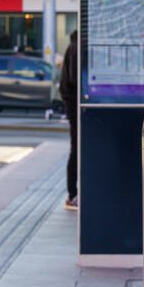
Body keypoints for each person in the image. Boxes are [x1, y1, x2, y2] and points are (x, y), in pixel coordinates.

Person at [58, 30, 80, 211]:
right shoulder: (76, 49)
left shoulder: (73, 47)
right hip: (76, 107)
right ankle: (73, 194)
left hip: (72, 105)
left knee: (77, 149)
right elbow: (75, 79)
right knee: (77, 149)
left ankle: (74, 193)